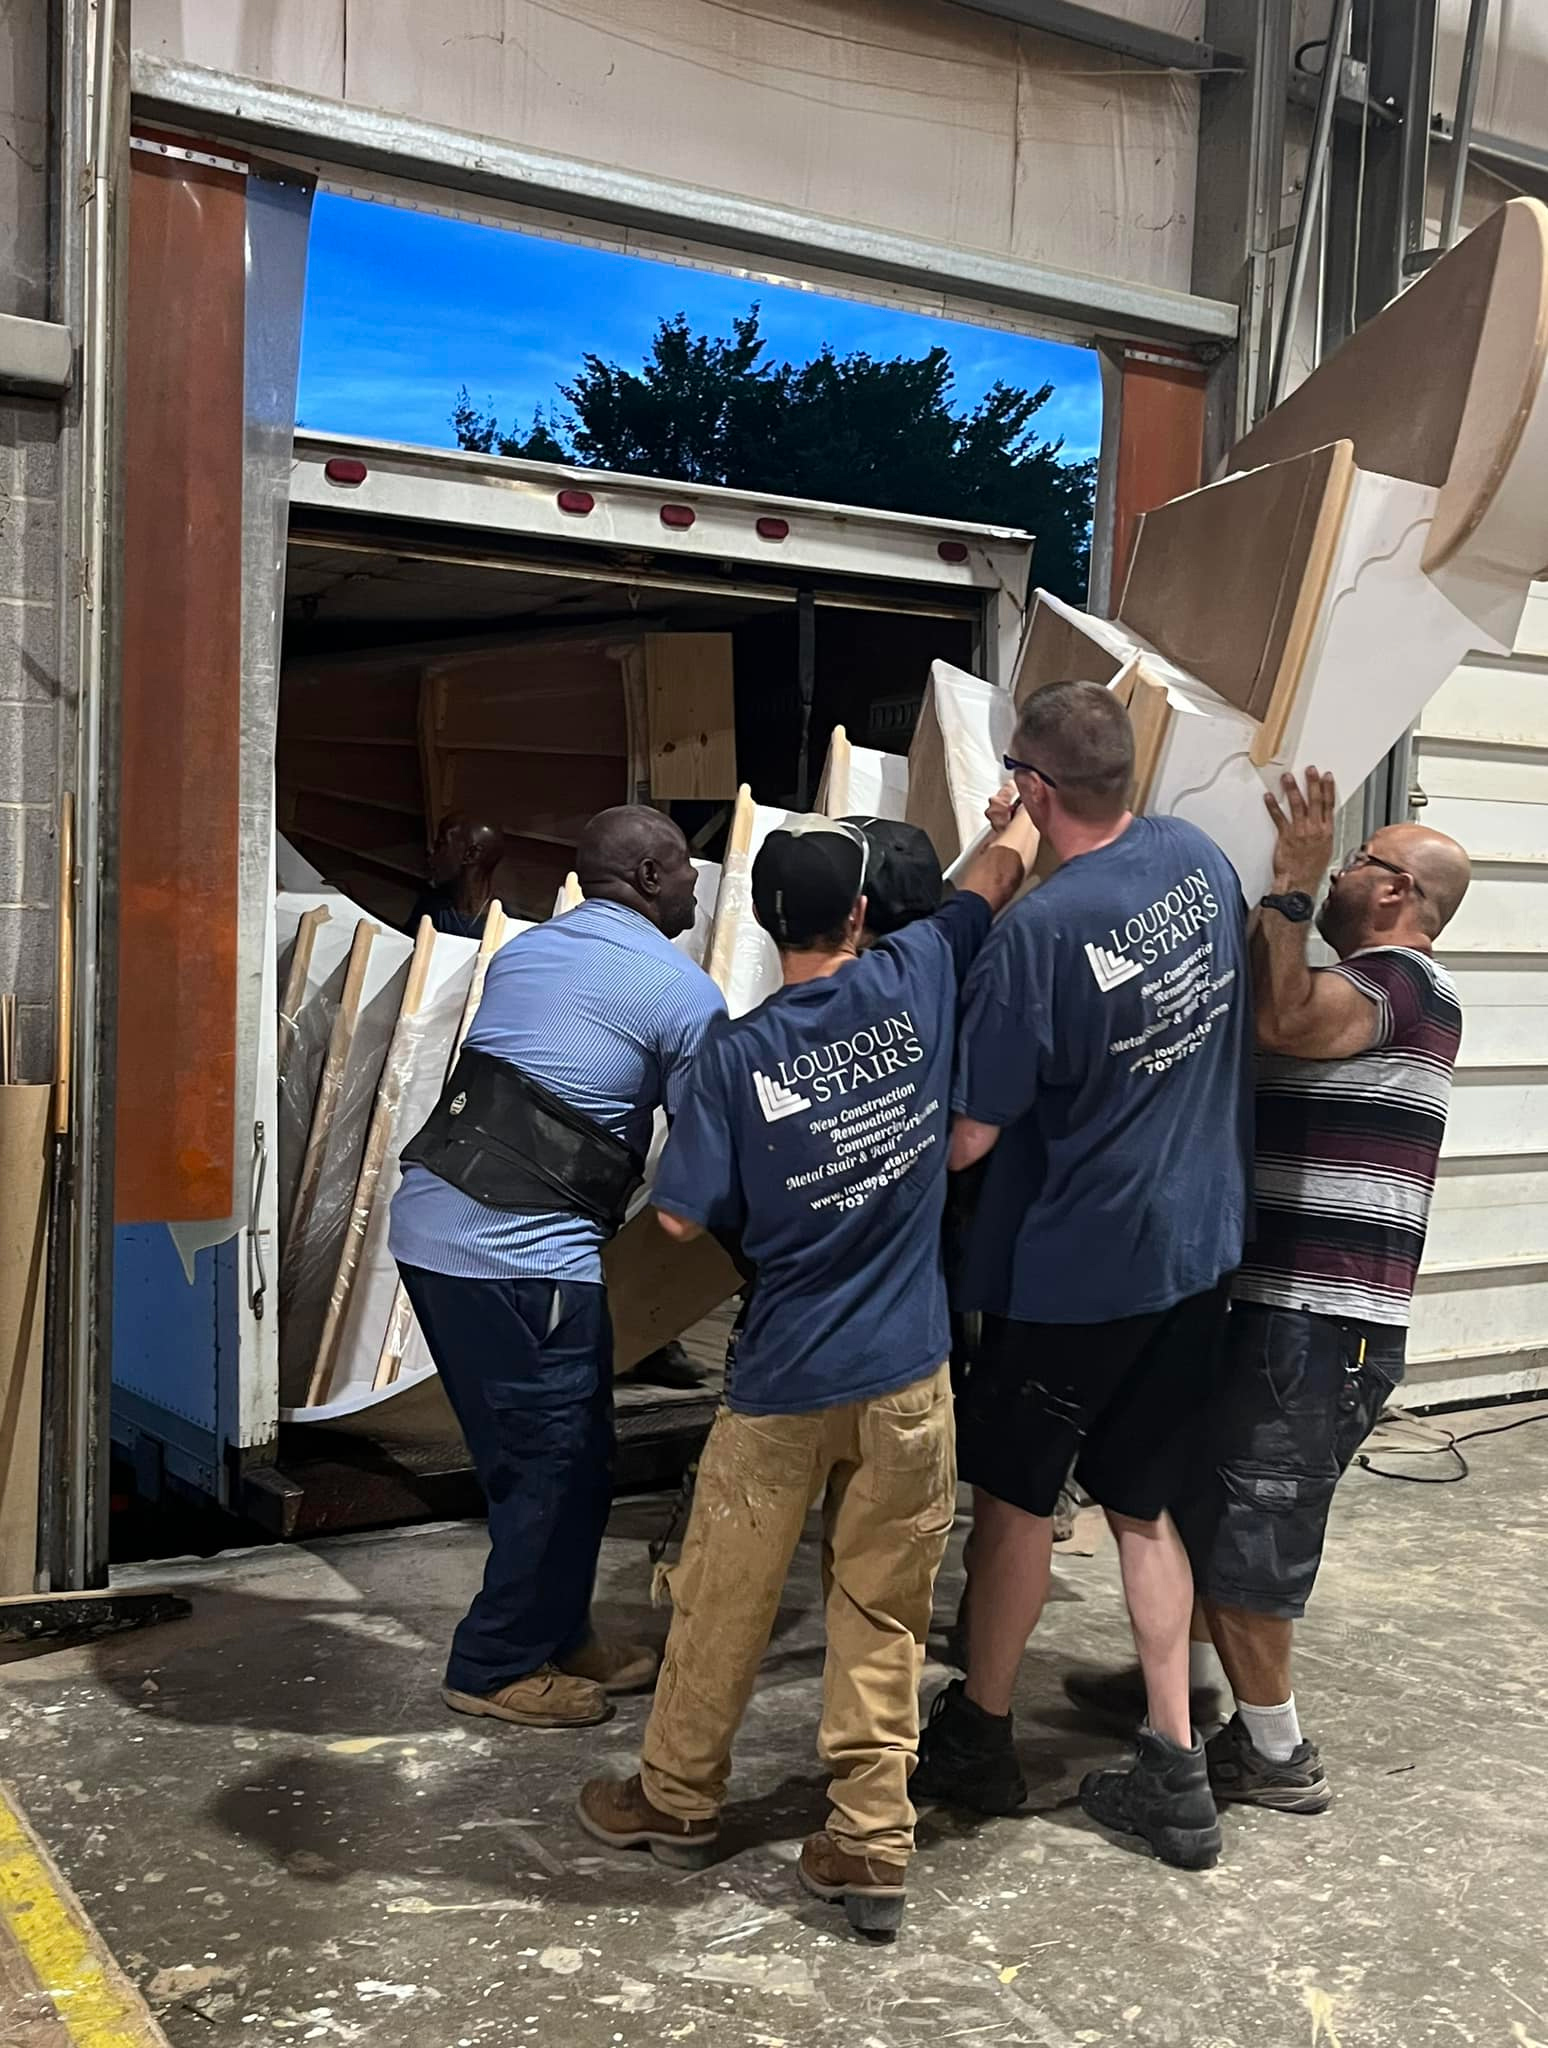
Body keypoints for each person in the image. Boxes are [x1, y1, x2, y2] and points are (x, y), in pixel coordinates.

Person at [577, 801, 1037, 1938]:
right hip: (910, 1379)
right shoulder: (921, 971)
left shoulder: (735, 1055)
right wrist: (1014, 812)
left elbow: (679, 1225)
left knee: (723, 1600)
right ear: (866, 914)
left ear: (762, 919)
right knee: (882, 1608)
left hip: (782, 1380)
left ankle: (675, 1799)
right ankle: (870, 1842)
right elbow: (997, 874)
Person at [1071, 770, 1471, 1815]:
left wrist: (1288, 885)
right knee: (1207, 1497)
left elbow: (1284, 1017)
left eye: (1357, 859)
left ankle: (1280, 1754)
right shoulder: (1368, 982)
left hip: (1319, 1318)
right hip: (1274, 1304)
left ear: (1397, 893)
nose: (1339, 868)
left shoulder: (1408, 987)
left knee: (1255, 1531)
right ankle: (1193, 1689)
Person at [913, 679, 1253, 1873]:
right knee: (1143, 1505)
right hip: (1195, 1248)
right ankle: (1176, 1763)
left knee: (1014, 1501)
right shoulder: (1199, 861)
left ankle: (979, 1736)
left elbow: (969, 1137)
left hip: (1072, 1272)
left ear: (1035, 788)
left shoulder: (1037, 937)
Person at [388, 806, 724, 1730]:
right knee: (553, 1462)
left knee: (561, 1453)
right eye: (687, 868)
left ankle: (560, 1630)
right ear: (650, 878)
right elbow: (705, 1160)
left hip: (434, 1229)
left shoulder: (526, 953)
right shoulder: (679, 993)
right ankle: (494, 1663)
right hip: (519, 1255)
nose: (699, 883)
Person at [407, 814, 505, 937]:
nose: (431, 855)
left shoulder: (503, 924)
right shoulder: (429, 905)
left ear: (471, 855)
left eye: (440, 845)